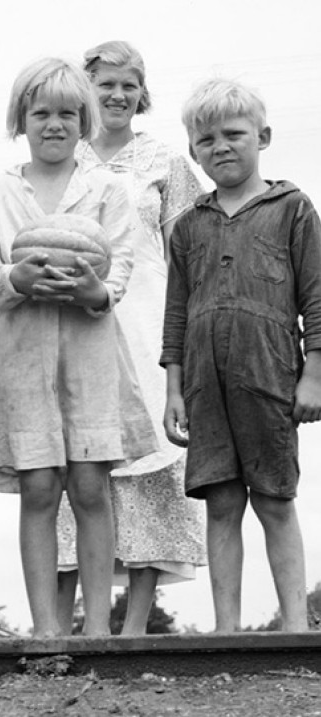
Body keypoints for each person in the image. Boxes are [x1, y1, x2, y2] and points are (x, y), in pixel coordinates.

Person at [0, 58, 158, 638]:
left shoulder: (109, 189)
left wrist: (96, 289)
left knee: (92, 486)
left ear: (86, 121)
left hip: (92, 357)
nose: (55, 124)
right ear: (20, 119)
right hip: (22, 359)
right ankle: (48, 629)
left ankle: (98, 629)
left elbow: (121, 262)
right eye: (41, 112)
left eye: (68, 114)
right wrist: (14, 281)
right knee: (40, 489)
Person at [54, 41, 207, 636]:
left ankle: (134, 630)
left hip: (148, 333)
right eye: (105, 84)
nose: (118, 95)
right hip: (78, 329)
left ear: (144, 94)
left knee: (152, 468)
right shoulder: (65, 157)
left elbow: (190, 255)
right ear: (83, 90)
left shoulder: (165, 162)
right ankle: (64, 626)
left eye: (129, 85)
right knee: (73, 474)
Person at [162, 78, 320, 633]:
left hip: (271, 376)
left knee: (275, 500)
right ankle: (225, 632)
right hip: (205, 385)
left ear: (264, 136)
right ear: (193, 150)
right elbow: (176, 314)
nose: (221, 147)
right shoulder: (187, 226)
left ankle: (296, 628)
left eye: (234, 134)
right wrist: (174, 390)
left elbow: (316, 299)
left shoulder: (292, 209)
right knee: (222, 504)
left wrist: (314, 377)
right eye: (207, 140)